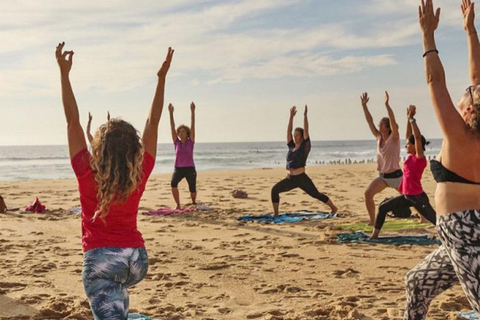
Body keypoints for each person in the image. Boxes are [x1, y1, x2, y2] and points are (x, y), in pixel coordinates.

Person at [56, 41, 173, 319]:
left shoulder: (87, 171)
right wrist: (161, 78)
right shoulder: (139, 170)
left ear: (98, 148)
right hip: (136, 260)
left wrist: (64, 74)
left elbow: (72, 122)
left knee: (106, 292)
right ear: (134, 148)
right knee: (117, 294)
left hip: (102, 262)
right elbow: (153, 123)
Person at [404, 1, 480, 318]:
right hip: (457, 234)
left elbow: (435, 82)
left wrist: (428, 37)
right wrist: (469, 30)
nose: (469, 89)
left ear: (469, 110)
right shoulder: (470, 132)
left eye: (468, 94)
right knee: (417, 283)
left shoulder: (461, 137)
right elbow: (476, 75)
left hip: (466, 236)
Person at [371, 105, 436, 239]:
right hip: (407, 196)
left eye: (408, 144)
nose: (405, 145)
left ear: (415, 146)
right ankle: (374, 235)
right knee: (383, 207)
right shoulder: (410, 157)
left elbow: (416, 138)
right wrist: (407, 119)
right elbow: (409, 136)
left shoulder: (419, 158)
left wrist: (412, 120)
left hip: (418, 197)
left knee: (436, 220)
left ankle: (451, 236)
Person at [271, 105, 337, 217]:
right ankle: (276, 213)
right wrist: (291, 117)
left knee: (315, 194)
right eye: (294, 135)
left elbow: (306, 131)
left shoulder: (304, 147)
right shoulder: (291, 146)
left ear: (302, 137)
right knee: (274, 190)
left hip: (301, 178)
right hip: (290, 179)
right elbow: (288, 132)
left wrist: (305, 116)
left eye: (297, 135)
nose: (294, 136)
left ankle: (334, 208)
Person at [361, 91, 402, 225]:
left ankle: (423, 217)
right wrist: (364, 106)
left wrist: (387, 105)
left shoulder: (394, 138)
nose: (379, 126)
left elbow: (393, 122)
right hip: (383, 177)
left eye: (381, 124)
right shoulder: (379, 138)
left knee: (413, 197)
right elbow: (369, 121)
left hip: (396, 177)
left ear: (387, 127)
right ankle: (373, 220)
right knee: (368, 194)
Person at [168, 102, 197, 209]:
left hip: (190, 168)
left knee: (192, 188)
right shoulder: (176, 143)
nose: (181, 133)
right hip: (178, 168)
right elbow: (172, 126)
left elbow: (193, 126)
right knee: (173, 183)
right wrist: (171, 113)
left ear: (187, 133)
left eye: (183, 131)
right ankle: (178, 205)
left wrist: (192, 112)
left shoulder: (191, 141)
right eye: (179, 132)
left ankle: (193, 202)